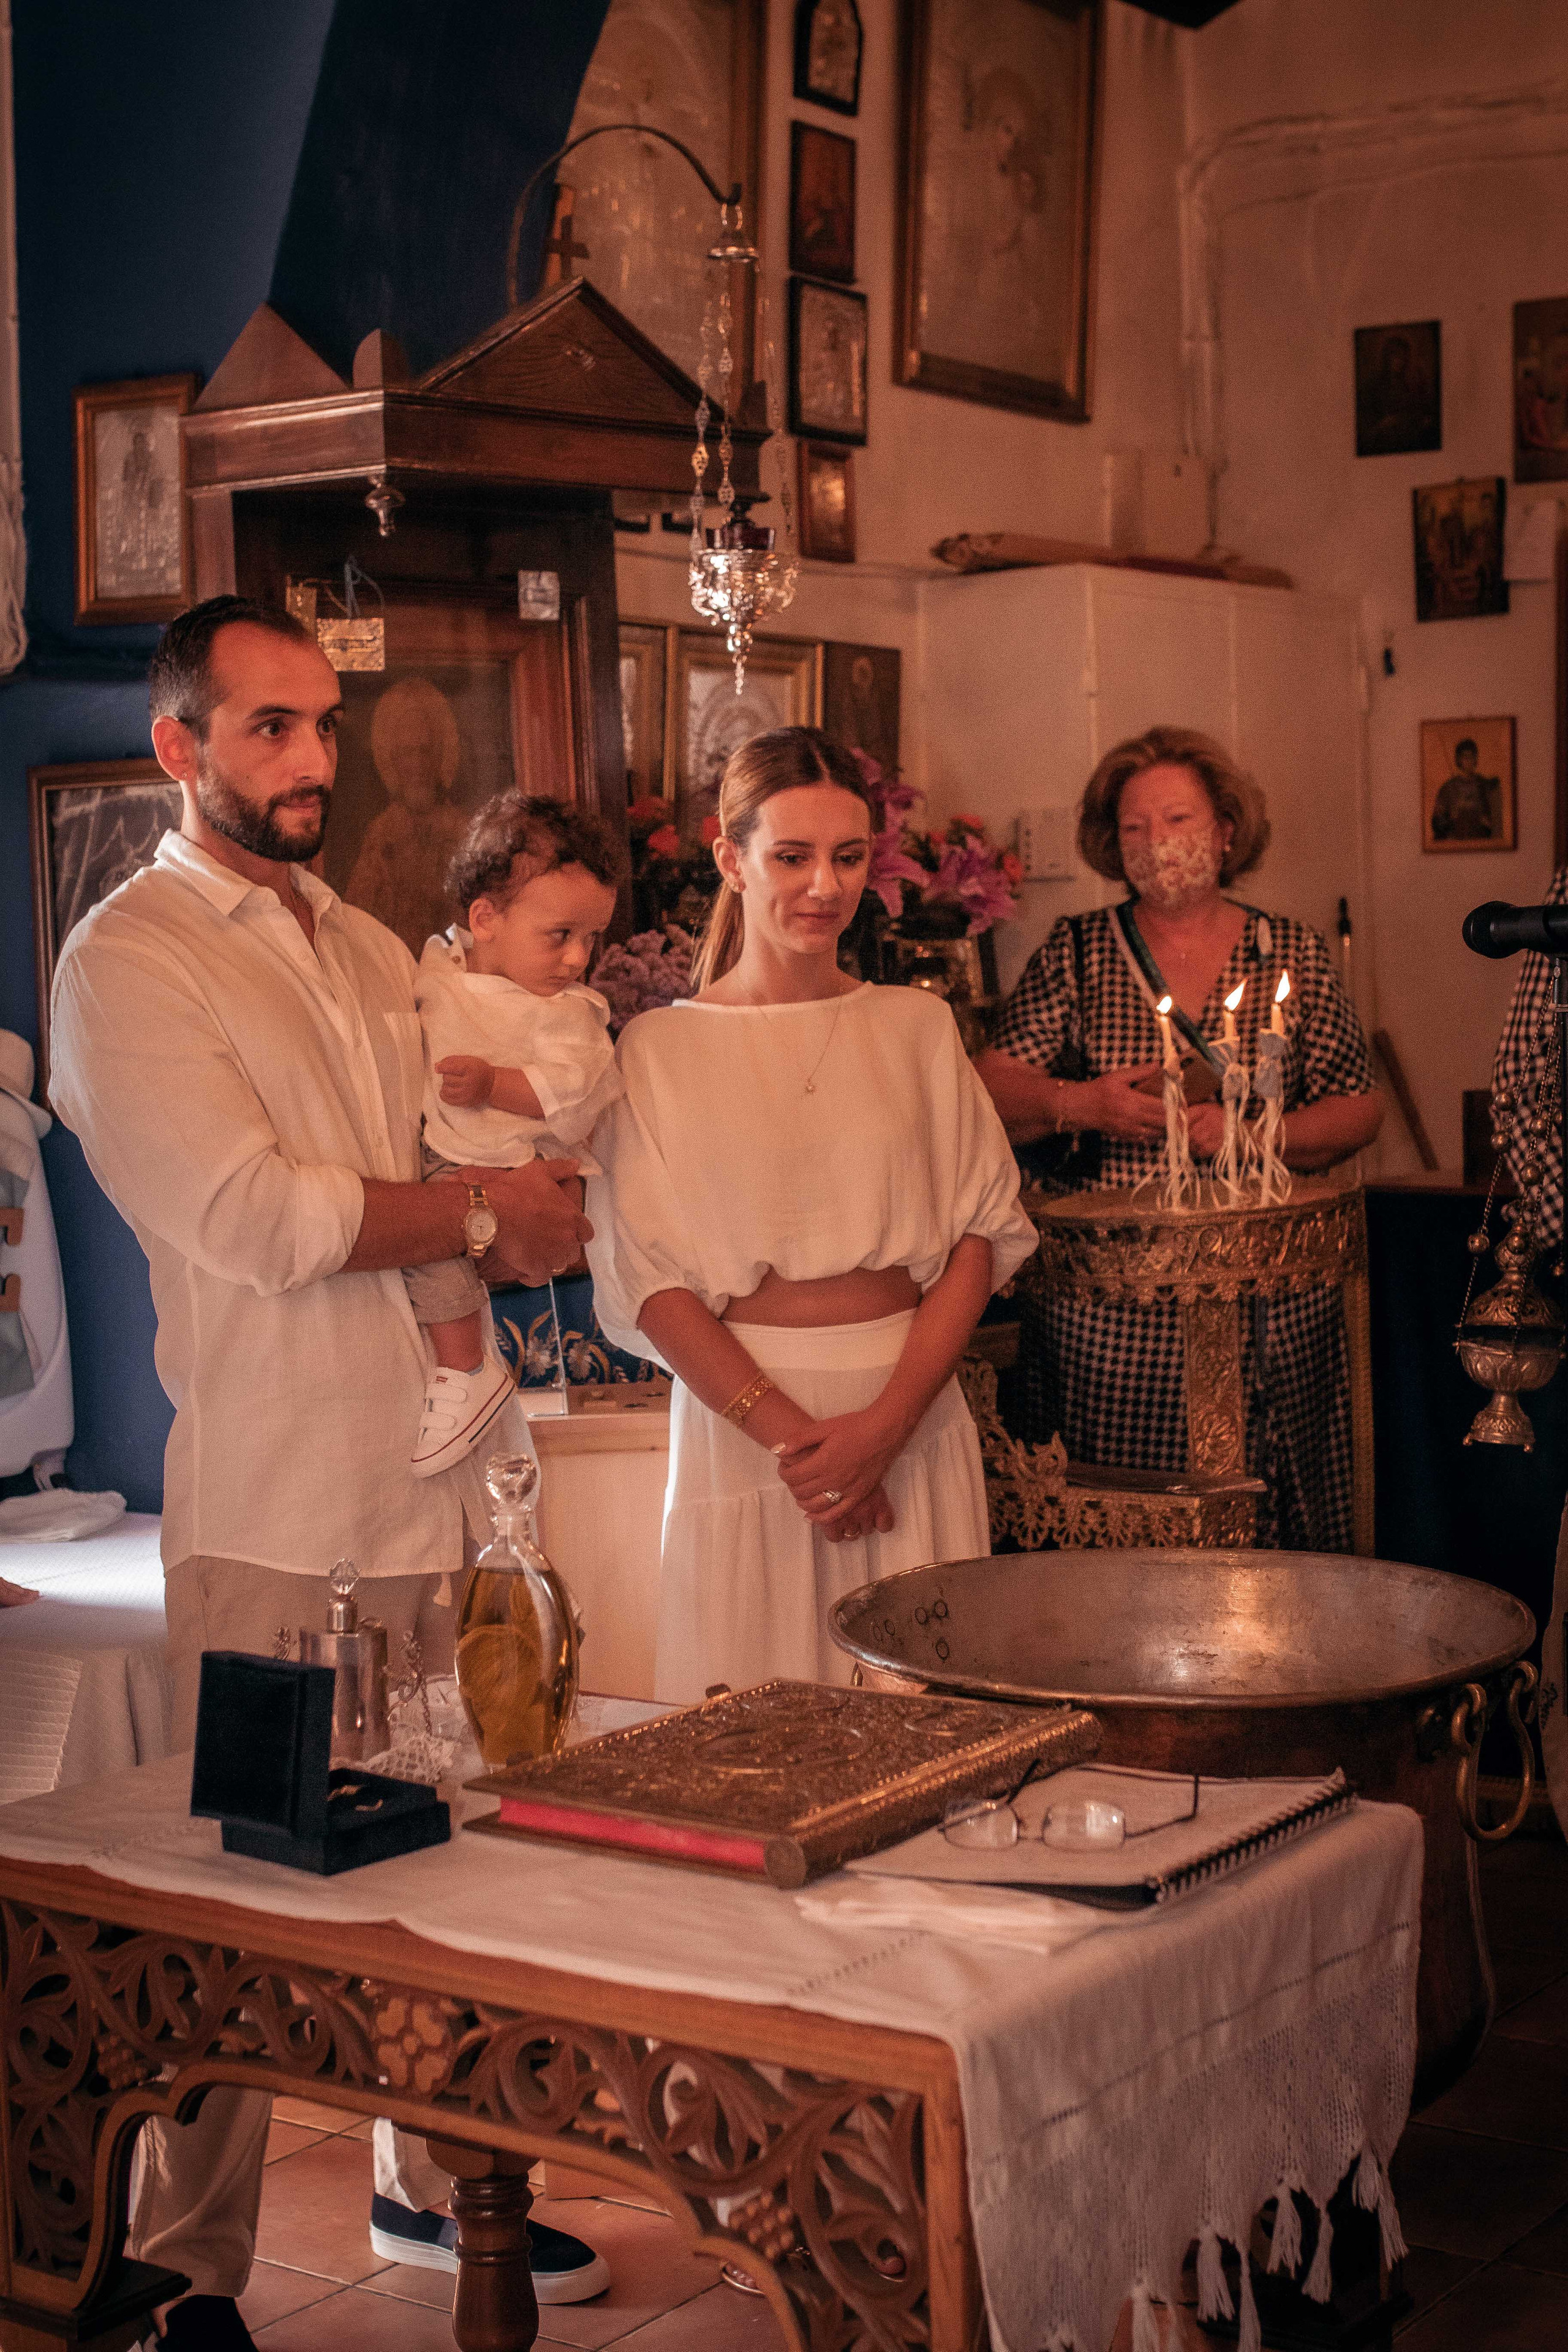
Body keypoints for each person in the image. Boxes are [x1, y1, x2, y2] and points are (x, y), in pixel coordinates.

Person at [48, 597, 608, 2350]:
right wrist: (476, 1214)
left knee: (447, 1861)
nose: (310, 758)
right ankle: (188, 2273)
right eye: (270, 728)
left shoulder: (366, 942)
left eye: (321, 725)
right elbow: (257, 1216)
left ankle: (436, 2184)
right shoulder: (128, 962)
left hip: (437, 1483)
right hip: (281, 1507)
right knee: (240, 1909)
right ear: (179, 748)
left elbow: (426, 1161)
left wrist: (505, 1201)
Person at [586, 726, 1036, 1701]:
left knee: (925, 1726)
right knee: (756, 1732)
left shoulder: (914, 1026)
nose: (823, 888)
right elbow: (649, 1280)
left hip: (910, 1418)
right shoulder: (660, 1050)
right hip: (750, 1438)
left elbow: (981, 1235)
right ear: (730, 861)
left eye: (847, 858)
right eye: (791, 857)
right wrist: (806, 1448)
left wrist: (887, 1426)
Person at [975, 725, 1383, 1553]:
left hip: (1272, 1292)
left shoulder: (1287, 950)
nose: (1157, 844)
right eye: (1134, 828)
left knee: (1276, 1525)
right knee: (1135, 1532)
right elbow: (988, 1087)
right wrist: (1084, 1103)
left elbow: (1358, 1109)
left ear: (1226, 830)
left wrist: (1252, 1132)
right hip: (1120, 1307)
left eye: (1178, 821)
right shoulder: (1081, 954)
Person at [405, 791, 624, 1476]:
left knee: (429, 1244)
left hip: (510, 1164)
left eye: (592, 938)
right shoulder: (440, 971)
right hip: (441, 1147)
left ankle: (463, 1367)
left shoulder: (566, 1015)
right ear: (484, 920)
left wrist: (494, 1084)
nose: (578, 958)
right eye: (561, 935)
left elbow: (571, 1092)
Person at [1430, 738, 1501, 843]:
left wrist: (1486, 821)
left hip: (1480, 840)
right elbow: (1437, 822)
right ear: (1459, 760)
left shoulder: (1483, 784)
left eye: (1472, 757)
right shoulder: (1448, 788)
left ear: (1476, 759)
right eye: (1465, 757)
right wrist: (1451, 819)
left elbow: (1493, 817)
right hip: (1455, 840)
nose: (1469, 761)